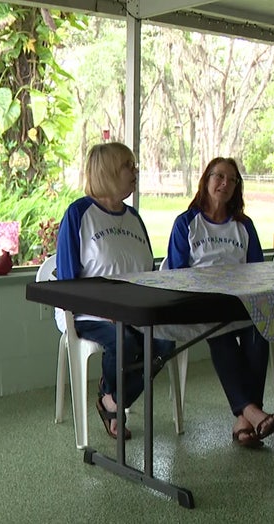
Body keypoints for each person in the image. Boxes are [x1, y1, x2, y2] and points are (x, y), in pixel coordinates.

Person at [56, 142, 173, 440]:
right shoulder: (78, 214)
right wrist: (103, 309)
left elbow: (148, 270)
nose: (135, 172)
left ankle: (112, 399)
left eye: (134, 166)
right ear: (106, 172)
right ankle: (112, 404)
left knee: (165, 344)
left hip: (133, 309)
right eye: (127, 166)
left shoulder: (134, 217)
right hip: (87, 312)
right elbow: (68, 279)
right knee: (124, 342)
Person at [167, 157, 274, 448]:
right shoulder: (186, 223)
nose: (225, 184)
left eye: (232, 180)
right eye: (219, 176)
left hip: (241, 305)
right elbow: (177, 275)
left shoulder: (243, 226)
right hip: (200, 307)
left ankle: (247, 421)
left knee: (260, 332)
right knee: (219, 334)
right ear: (206, 180)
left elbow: (257, 271)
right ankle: (252, 414)